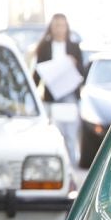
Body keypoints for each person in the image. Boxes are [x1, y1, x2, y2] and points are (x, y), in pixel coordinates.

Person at [32, 13, 85, 161]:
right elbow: (38, 72)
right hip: (51, 97)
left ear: (67, 27)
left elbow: (82, 73)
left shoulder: (74, 47)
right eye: (56, 25)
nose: (59, 29)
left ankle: (71, 169)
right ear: (51, 27)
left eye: (62, 25)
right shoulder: (44, 47)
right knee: (53, 134)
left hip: (69, 97)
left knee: (70, 136)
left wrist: (74, 64)